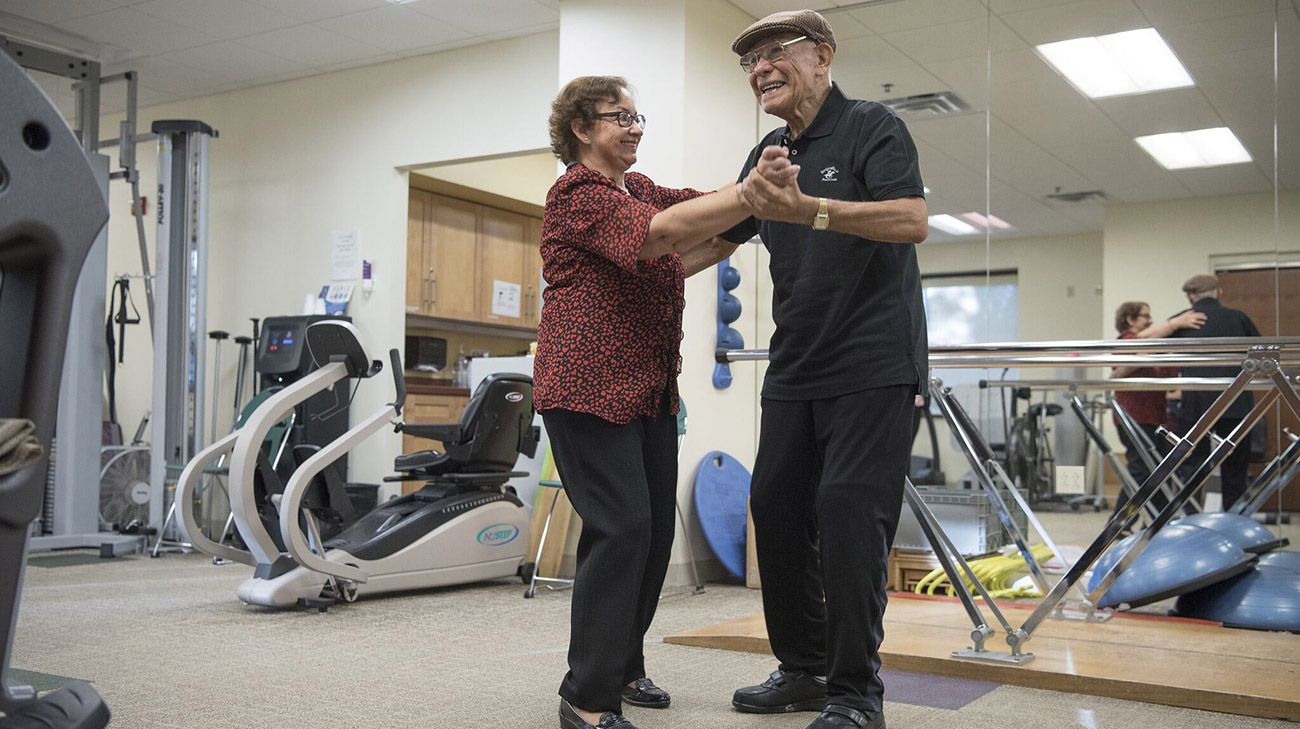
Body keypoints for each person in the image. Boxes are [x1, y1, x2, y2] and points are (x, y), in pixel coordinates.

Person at [716, 10, 930, 729]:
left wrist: (811, 209)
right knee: (775, 509)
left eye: (776, 53)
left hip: (873, 360)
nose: (761, 69)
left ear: (823, 57)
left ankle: (854, 692)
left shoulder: (872, 126)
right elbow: (716, 235)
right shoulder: (765, 152)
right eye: (750, 61)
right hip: (796, 363)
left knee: (846, 515)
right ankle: (803, 668)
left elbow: (910, 219)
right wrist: (631, 261)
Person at [535, 75, 758, 729]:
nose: (635, 127)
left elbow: (693, 217)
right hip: (584, 386)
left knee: (654, 534)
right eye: (619, 116)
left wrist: (758, 202)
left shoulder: (638, 191)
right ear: (581, 127)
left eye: (638, 117)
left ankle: (624, 663)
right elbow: (661, 234)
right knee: (623, 526)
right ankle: (587, 693)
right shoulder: (578, 193)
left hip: (648, 391)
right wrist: (741, 200)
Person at [1168, 274, 1261, 510]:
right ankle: (1234, 521)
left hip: (1195, 404)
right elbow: (1260, 354)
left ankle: (1192, 521)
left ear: (1190, 297)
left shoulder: (1181, 321)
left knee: (1192, 468)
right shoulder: (1238, 317)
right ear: (1217, 292)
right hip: (1236, 402)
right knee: (1235, 469)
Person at [1108, 301, 1205, 513]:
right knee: (1141, 471)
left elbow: (1167, 375)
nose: (1150, 321)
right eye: (1144, 316)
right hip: (1135, 415)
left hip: (1156, 417)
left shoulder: (1152, 345)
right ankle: (1120, 521)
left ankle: (1160, 520)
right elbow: (1122, 367)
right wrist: (1173, 324)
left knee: (1160, 471)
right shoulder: (1128, 340)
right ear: (1130, 319)